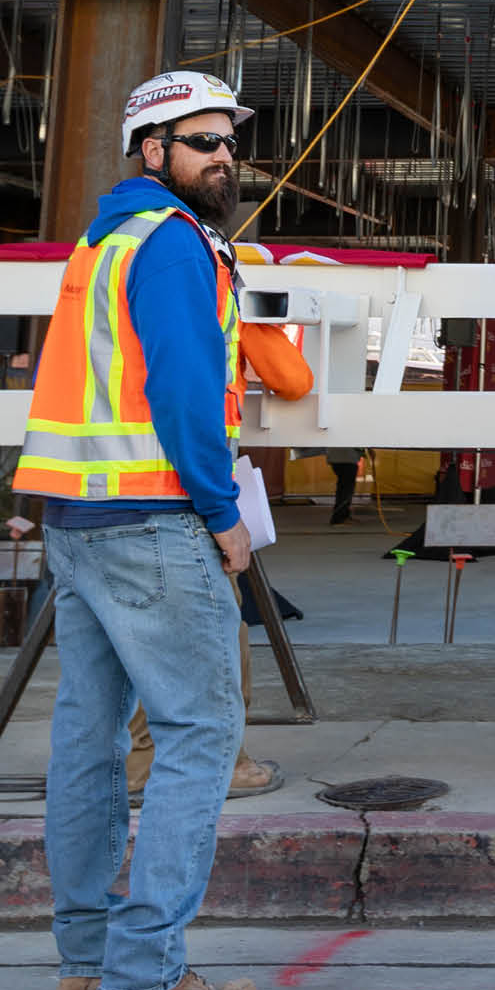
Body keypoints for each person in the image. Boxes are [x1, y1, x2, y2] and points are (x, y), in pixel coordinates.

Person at [12, 70, 262, 990]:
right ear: (151, 152)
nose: (222, 158)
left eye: (226, 142)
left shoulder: (100, 241)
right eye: (201, 143)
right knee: (202, 730)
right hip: (152, 518)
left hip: (75, 520)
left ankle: (83, 970)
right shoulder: (171, 243)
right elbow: (187, 391)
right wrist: (222, 509)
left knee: (89, 738)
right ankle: (144, 976)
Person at [122, 234, 318, 805]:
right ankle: (224, 761)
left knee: (142, 633)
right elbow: (293, 380)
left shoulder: (120, 275)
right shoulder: (216, 296)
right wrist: (254, 319)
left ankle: (139, 763)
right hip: (185, 491)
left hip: (111, 491)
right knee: (216, 629)